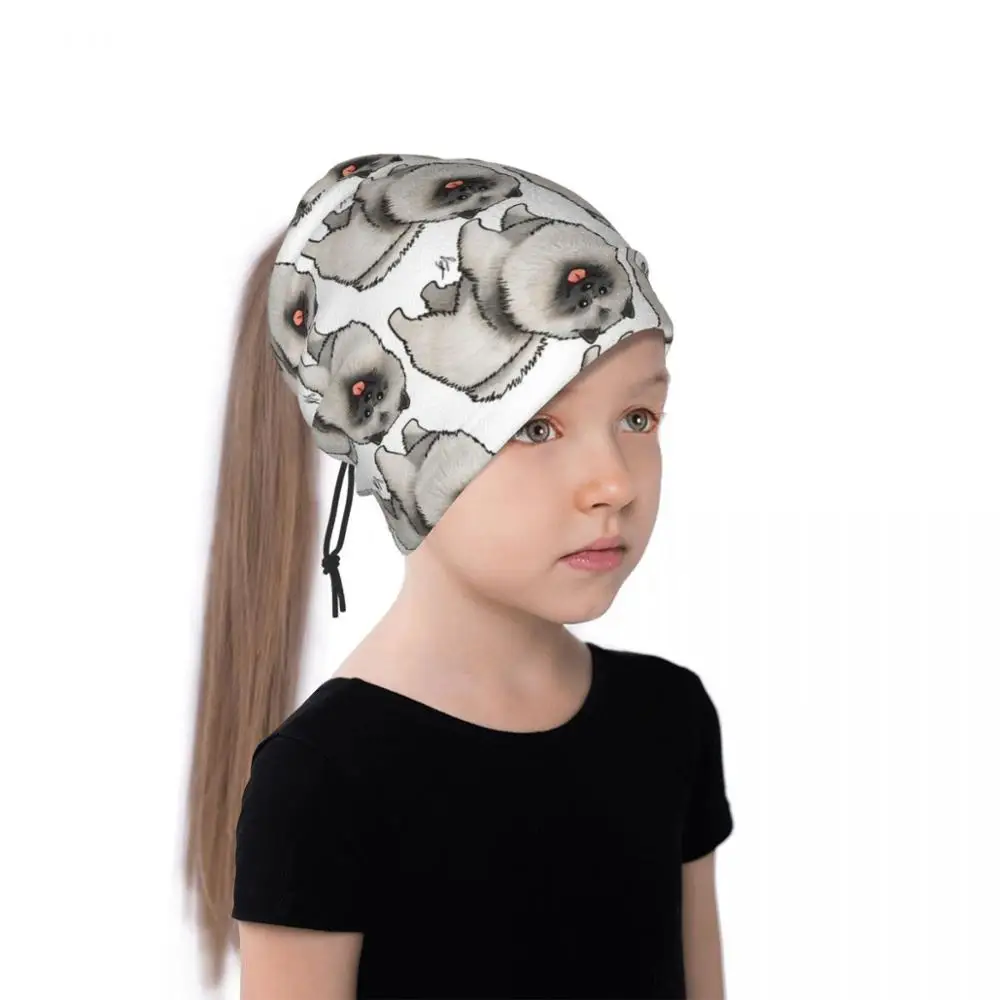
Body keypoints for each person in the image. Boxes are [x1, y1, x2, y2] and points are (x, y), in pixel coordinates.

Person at [183, 153, 735, 999]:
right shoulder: (326, 783)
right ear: (401, 454)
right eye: (536, 429)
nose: (614, 484)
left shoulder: (668, 720)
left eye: (637, 417)